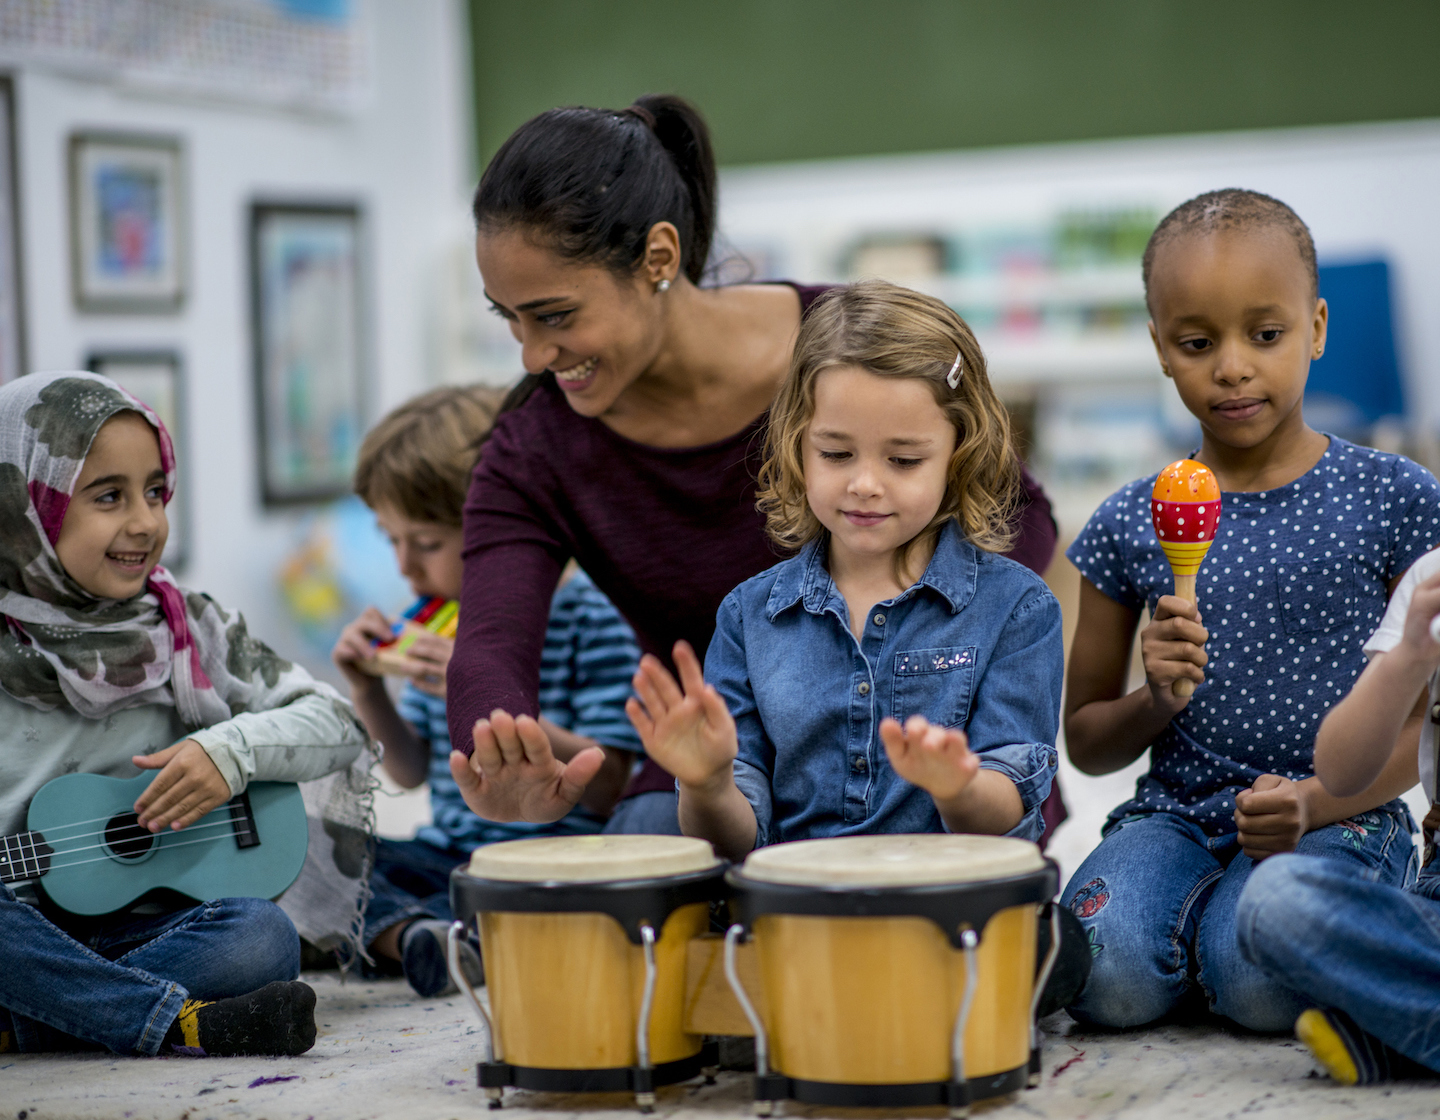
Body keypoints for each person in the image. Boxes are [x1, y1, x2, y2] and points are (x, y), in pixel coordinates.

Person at [444, 94, 1061, 838]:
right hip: (715, 764)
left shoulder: (849, 349)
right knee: (641, 907)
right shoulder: (532, 447)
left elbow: (1020, 514)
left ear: (659, 258)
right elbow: (491, 641)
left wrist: (934, 696)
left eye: (555, 315)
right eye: (506, 318)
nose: (532, 354)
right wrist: (496, 751)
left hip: (935, 757)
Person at [1060, 188, 1440, 1031]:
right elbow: (1085, 743)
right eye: (1197, 343)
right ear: (1161, 347)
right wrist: (1155, 699)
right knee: (1105, 974)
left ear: (1316, 328)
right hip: (1176, 814)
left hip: (1336, 815)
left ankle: (1224, 946)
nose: (1232, 366)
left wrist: (1313, 802)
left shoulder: (1398, 501)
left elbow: (1424, 727)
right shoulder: (1131, 519)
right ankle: (1192, 939)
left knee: (1261, 983)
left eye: (1265, 336)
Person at [619, 281, 1060, 859]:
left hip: (952, 918)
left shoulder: (1019, 609)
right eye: (835, 453)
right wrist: (706, 783)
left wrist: (961, 788)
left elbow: (1009, 813)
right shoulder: (747, 617)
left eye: (903, 460)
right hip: (798, 920)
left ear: (962, 453)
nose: (865, 484)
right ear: (796, 445)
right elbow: (732, 839)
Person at [0, 371, 369, 1057]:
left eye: (156, 492)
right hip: (19, 930)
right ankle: (179, 1021)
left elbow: (338, 721)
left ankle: (36, 1018)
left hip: (142, 930)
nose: (144, 522)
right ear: (27, 504)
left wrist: (231, 752)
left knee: (262, 938)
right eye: (108, 496)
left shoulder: (186, 627)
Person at [331, 386, 644, 997]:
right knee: (322, 854)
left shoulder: (589, 614)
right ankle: (431, 936)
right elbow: (413, 771)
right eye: (390, 540)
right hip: (449, 858)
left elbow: (616, 784)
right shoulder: (435, 620)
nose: (404, 568)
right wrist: (368, 691)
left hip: (553, 861)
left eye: (425, 543)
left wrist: (482, 687)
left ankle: (424, 936)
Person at [1236, 549, 1440, 1083]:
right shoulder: (1430, 580)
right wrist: (1409, 659)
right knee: (1274, 898)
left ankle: (1399, 1035)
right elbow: (1342, 771)